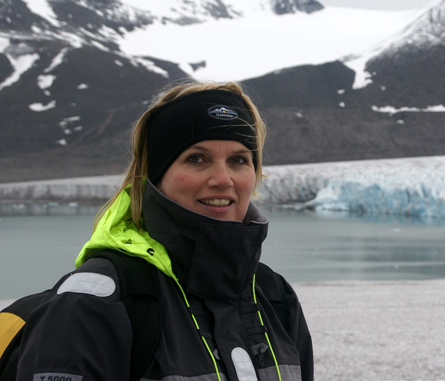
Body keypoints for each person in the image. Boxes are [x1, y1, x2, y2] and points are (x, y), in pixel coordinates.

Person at [16, 81, 314, 381]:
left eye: (238, 160)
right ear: (156, 176)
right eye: (196, 159)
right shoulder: (95, 300)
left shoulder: (274, 296)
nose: (223, 179)